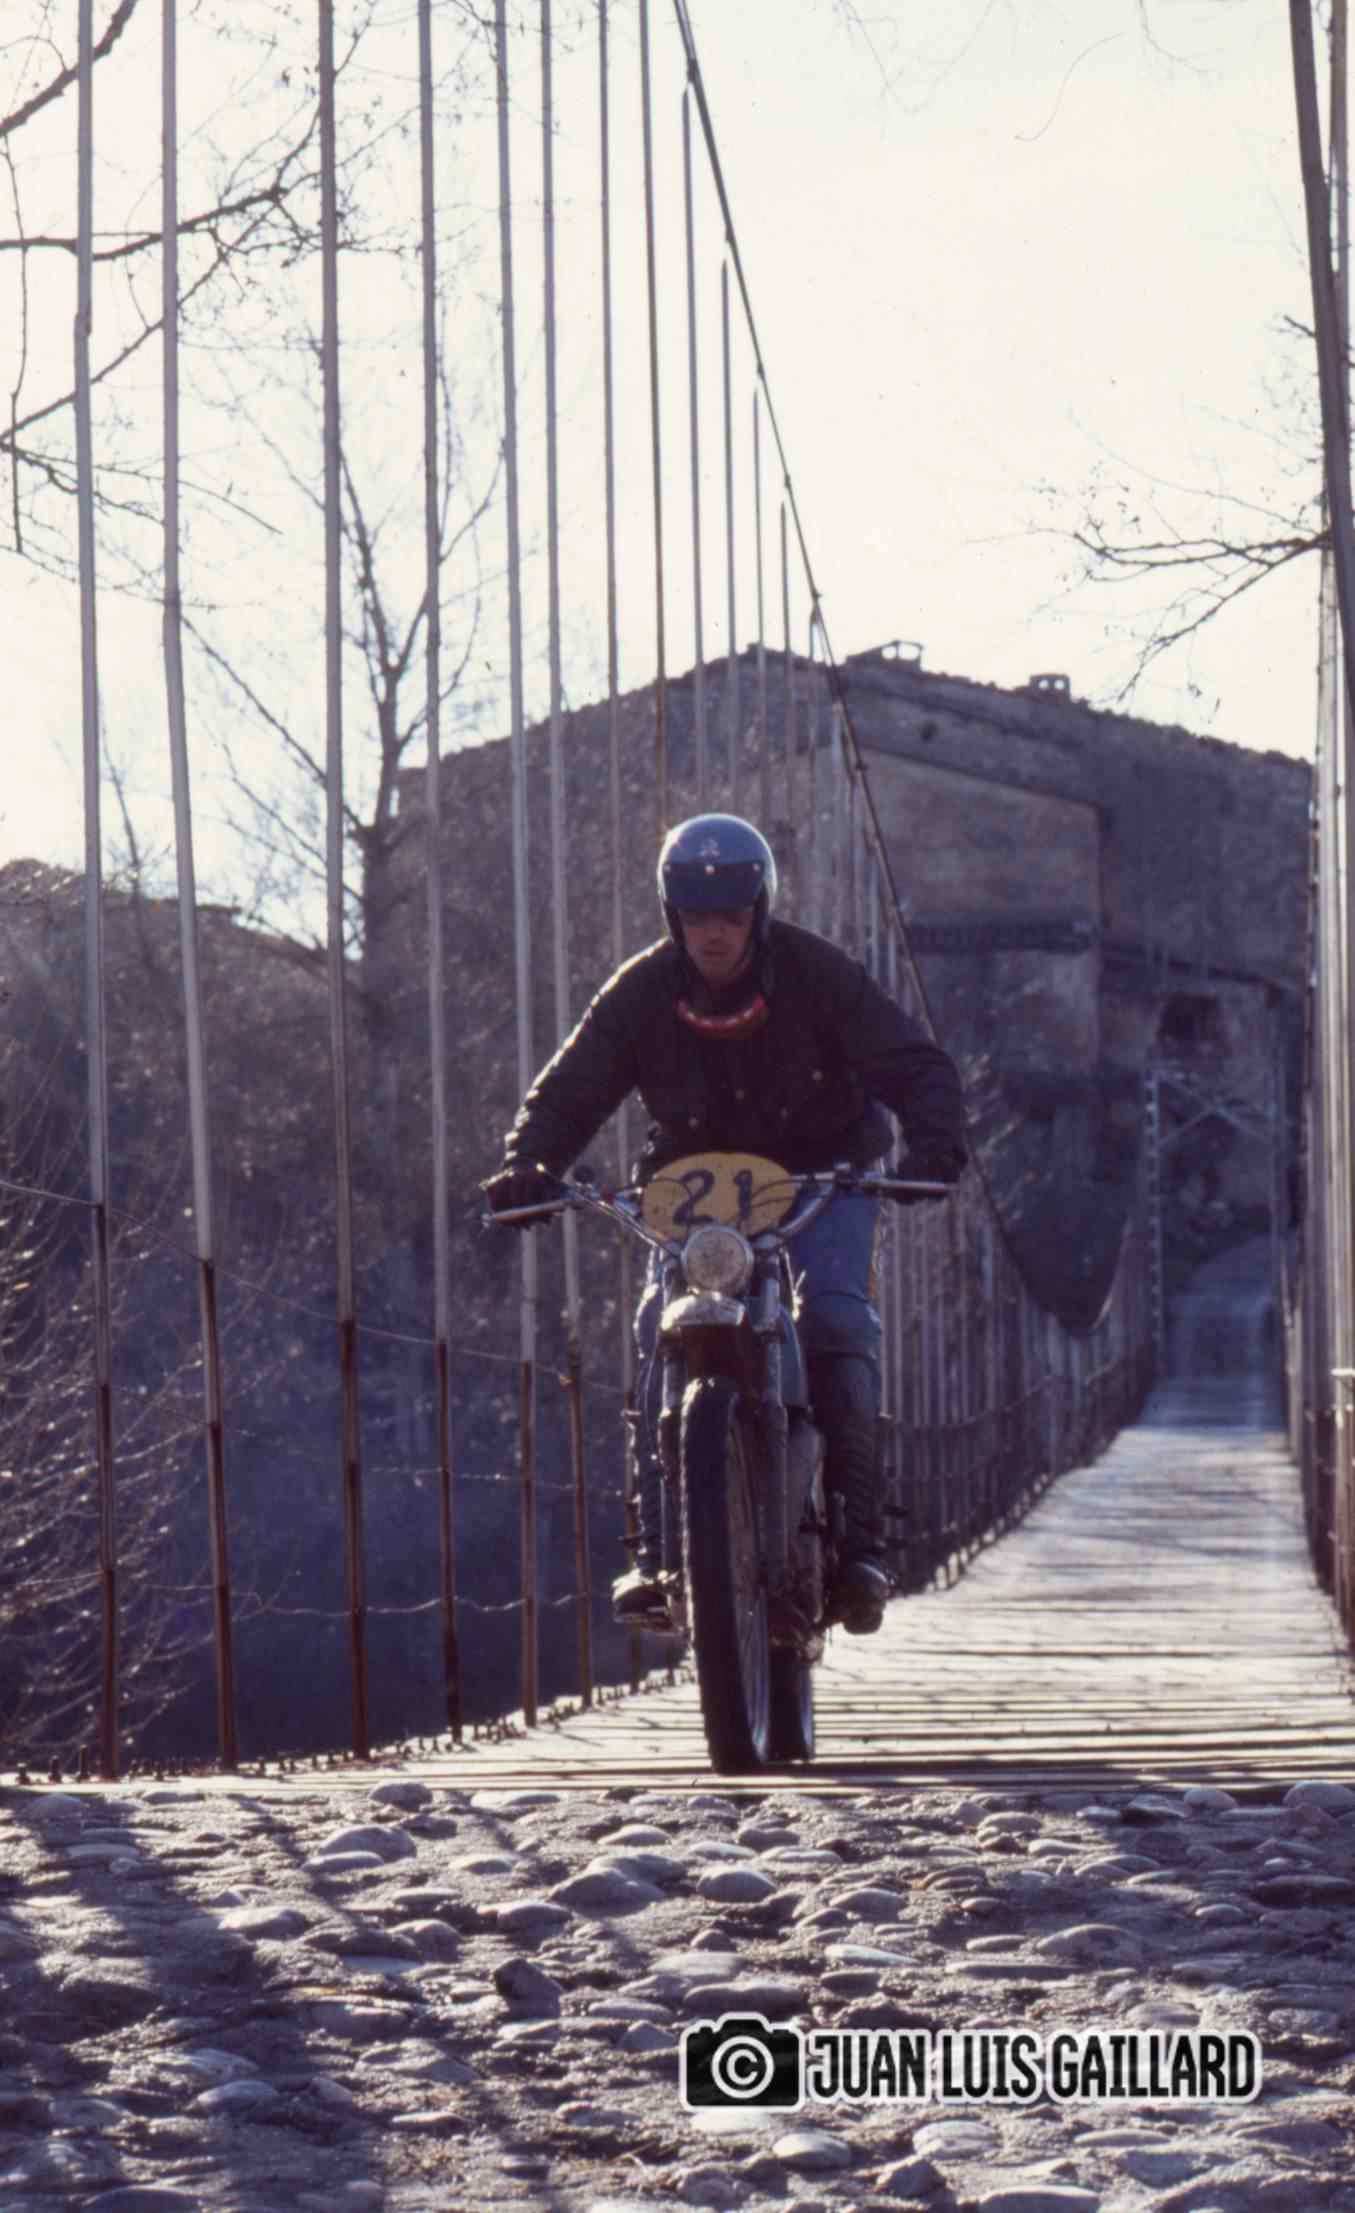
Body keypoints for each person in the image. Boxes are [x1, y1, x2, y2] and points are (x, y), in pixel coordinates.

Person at [482, 813, 966, 1636]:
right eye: (695, 915)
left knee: (836, 1317)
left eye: (731, 916)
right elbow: (571, 1087)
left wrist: (934, 1145)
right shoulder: (640, 991)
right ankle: (657, 1549)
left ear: (758, 912)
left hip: (824, 1172)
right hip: (691, 1182)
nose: (713, 933)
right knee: (655, 1325)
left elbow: (912, 1062)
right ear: (672, 915)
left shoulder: (818, 975)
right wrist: (529, 1162)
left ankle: (860, 1547)